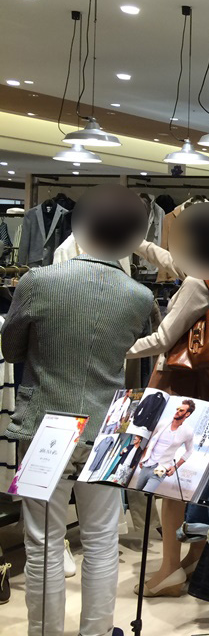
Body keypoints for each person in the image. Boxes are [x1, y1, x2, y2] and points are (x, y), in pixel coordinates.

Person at [1, 254, 153, 636]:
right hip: (107, 429)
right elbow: (137, 343)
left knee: (43, 543)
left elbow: (11, 349)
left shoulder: (37, 281)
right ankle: (97, 632)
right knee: (102, 541)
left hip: (45, 427)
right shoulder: (139, 294)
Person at [127, 239, 209, 596]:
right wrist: (138, 244)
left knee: (168, 483)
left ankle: (170, 568)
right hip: (205, 381)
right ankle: (195, 555)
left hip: (178, 381)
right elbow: (173, 262)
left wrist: (119, 349)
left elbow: (162, 339)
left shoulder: (195, 283)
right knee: (191, 479)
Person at [135, 400, 196, 495]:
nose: (177, 411)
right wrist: (143, 457)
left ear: (187, 414)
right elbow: (149, 440)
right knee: (136, 494)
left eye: (181, 410)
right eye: (177, 409)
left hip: (162, 469)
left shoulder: (188, 431)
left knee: (146, 494)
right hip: (147, 465)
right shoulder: (163, 423)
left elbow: (190, 451)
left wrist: (175, 467)